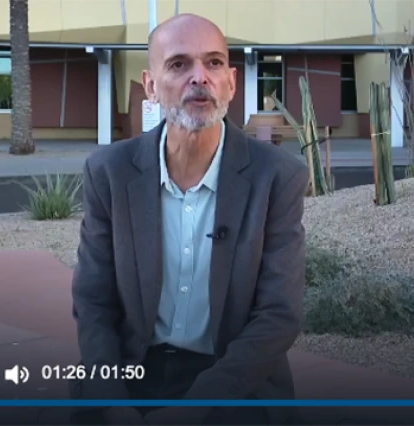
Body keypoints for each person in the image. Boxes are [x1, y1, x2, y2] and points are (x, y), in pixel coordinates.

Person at [68, 12, 310, 426]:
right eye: (179, 64)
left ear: (231, 82)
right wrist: (112, 401)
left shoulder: (278, 177)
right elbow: (93, 301)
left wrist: (198, 406)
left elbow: (279, 315)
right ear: (150, 86)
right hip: (132, 370)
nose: (200, 77)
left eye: (213, 63)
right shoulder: (110, 173)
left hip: (234, 381)